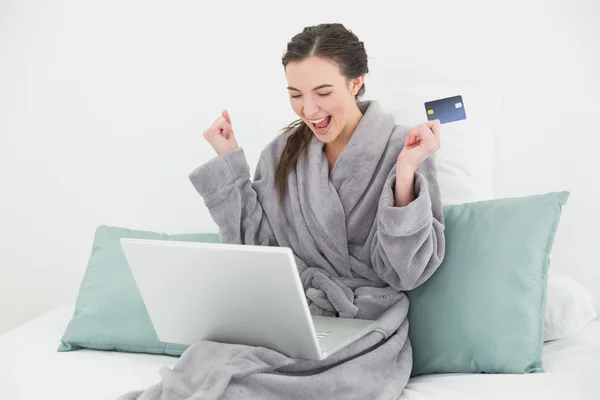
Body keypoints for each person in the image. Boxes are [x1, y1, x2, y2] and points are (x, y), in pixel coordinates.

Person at [123, 23, 446, 400]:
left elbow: (406, 273)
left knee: (239, 388)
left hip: (366, 326)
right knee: (205, 366)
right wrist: (228, 162)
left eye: (323, 92)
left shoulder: (404, 149)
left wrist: (406, 172)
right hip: (289, 319)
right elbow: (257, 251)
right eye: (295, 94)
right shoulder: (281, 153)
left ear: (356, 82)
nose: (309, 109)